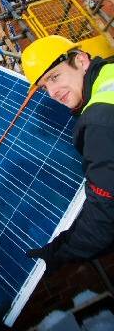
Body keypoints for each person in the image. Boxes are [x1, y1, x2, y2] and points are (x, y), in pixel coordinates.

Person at [21, 34, 114, 274]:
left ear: (81, 60)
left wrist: (61, 251)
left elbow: (106, 217)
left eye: (55, 76)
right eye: (44, 87)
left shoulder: (99, 121)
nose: (52, 92)